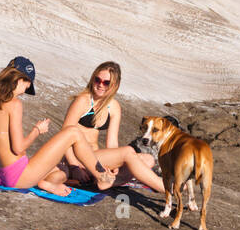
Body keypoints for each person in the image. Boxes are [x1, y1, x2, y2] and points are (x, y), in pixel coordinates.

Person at [0, 56, 114, 196]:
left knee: (61, 172)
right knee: (73, 132)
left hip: (2, 176)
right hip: (18, 176)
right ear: (21, 79)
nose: (25, 90)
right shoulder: (14, 104)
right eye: (27, 85)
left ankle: (46, 183)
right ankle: (102, 177)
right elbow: (18, 148)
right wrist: (37, 131)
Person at [49, 61, 164, 193]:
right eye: (97, 80)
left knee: (148, 159)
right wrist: (74, 166)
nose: (100, 85)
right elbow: (65, 137)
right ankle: (164, 188)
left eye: (106, 82)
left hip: (96, 159)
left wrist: (116, 164)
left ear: (115, 85)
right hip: (77, 158)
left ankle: (108, 180)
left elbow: (112, 143)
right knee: (128, 152)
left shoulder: (113, 107)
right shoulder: (83, 101)